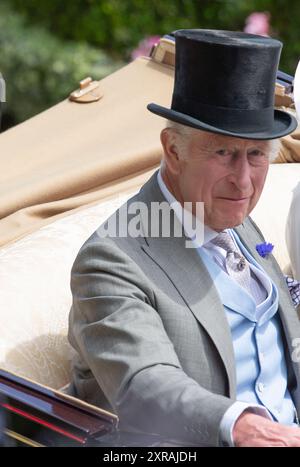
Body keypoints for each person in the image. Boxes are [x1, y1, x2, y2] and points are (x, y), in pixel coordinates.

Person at [68, 29, 300, 447]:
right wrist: (246, 427)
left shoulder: (233, 216)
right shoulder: (111, 259)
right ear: (173, 150)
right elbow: (145, 384)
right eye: (223, 153)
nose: (244, 181)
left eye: (256, 155)